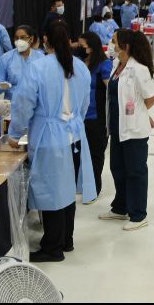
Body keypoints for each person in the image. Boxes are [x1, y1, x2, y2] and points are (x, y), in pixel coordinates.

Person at [8, 21, 95, 263]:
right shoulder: (80, 67)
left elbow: (23, 104)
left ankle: (53, 247)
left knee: (52, 193)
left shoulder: (38, 67)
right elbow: (85, 105)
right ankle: (66, 239)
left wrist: (15, 134)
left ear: (43, 39)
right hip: (75, 135)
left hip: (50, 136)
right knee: (67, 192)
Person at [99, 29, 154, 231]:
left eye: (114, 42)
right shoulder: (117, 66)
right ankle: (120, 207)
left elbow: (150, 98)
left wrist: (141, 114)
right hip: (117, 127)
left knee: (135, 171)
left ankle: (138, 214)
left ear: (126, 46)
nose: (111, 45)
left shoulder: (139, 69)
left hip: (134, 130)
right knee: (118, 168)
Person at [77, 32, 113, 200]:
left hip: (96, 118)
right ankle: (81, 185)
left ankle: (94, 188)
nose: (79, 49)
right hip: (78, 117)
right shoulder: (78, 64)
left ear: (90, 47)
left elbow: (111, 91)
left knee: (95, 155)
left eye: (82, 46)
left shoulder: (104, 65)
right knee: (79, 154)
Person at [0, 25, 45, 101]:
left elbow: (46, 82)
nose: (19, 41)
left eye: (23, 37)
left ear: (31, 39)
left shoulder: (40, 57)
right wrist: (2, 86)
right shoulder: (6, 58)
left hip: (36, 102)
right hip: (13, 102)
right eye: (16, 38)